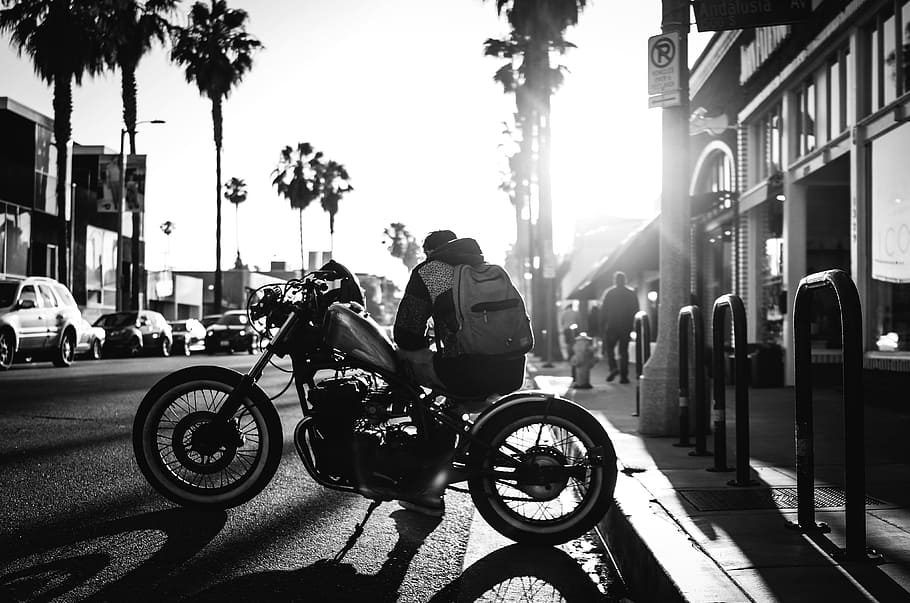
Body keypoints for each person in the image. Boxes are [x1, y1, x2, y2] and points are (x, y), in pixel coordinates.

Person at [389, 229, 526, 516]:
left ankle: (427, 484)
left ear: (431, 252)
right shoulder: (486, 270)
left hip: (467, 370)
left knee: (408, 367)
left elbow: (406, 333)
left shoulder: (432, 271)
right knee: (447, 405)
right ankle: (437, 474)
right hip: (510, 368)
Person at [599, 271, 639, 384]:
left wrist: (602, 325)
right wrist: (634, 325)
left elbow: (603, 310)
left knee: (609, 349)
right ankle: (624, 376)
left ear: (615, 280)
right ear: (625, 280)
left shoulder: (609, 293)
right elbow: (636, 310)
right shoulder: (631, 293)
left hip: (611, 325)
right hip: (626, 326)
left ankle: (613, 368)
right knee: (623, 351)